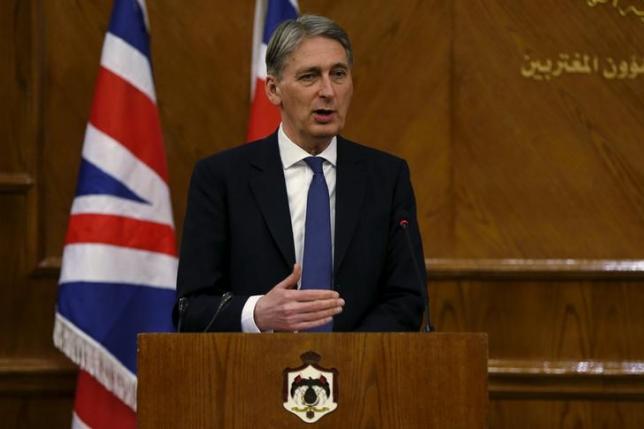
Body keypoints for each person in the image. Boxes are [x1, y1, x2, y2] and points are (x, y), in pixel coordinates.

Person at [174, 15, 426, 332]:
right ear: (273, 89)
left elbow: (407, 298)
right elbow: (191, 308)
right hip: (251, 372)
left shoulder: (387, 177)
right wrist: (256, 313)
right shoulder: (222, 178)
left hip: (361, 375)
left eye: (338, 74)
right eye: (309, 77)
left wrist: (348, 360)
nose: (328, 91)